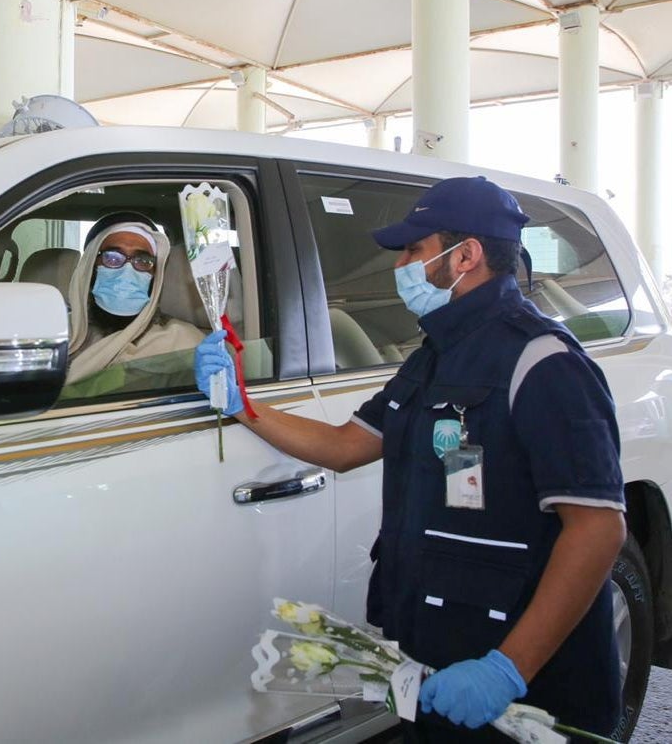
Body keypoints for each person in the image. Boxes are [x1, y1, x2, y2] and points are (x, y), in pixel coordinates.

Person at [195, 176, 626, 741]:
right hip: (438, 654)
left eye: (413, 251)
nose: (400, 266)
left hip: (524, 683)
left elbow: (597, 529)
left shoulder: (542, 362)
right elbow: (346, 446)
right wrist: (243, 405)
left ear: (465, 256)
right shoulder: (433, 360)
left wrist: (508, 668)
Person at [62, 212, 203, 396]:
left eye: (142, 261)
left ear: (155, 275)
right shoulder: (58, 334)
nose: (127, 271)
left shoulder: (184, 343)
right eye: (112, 258)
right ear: (90, 266)